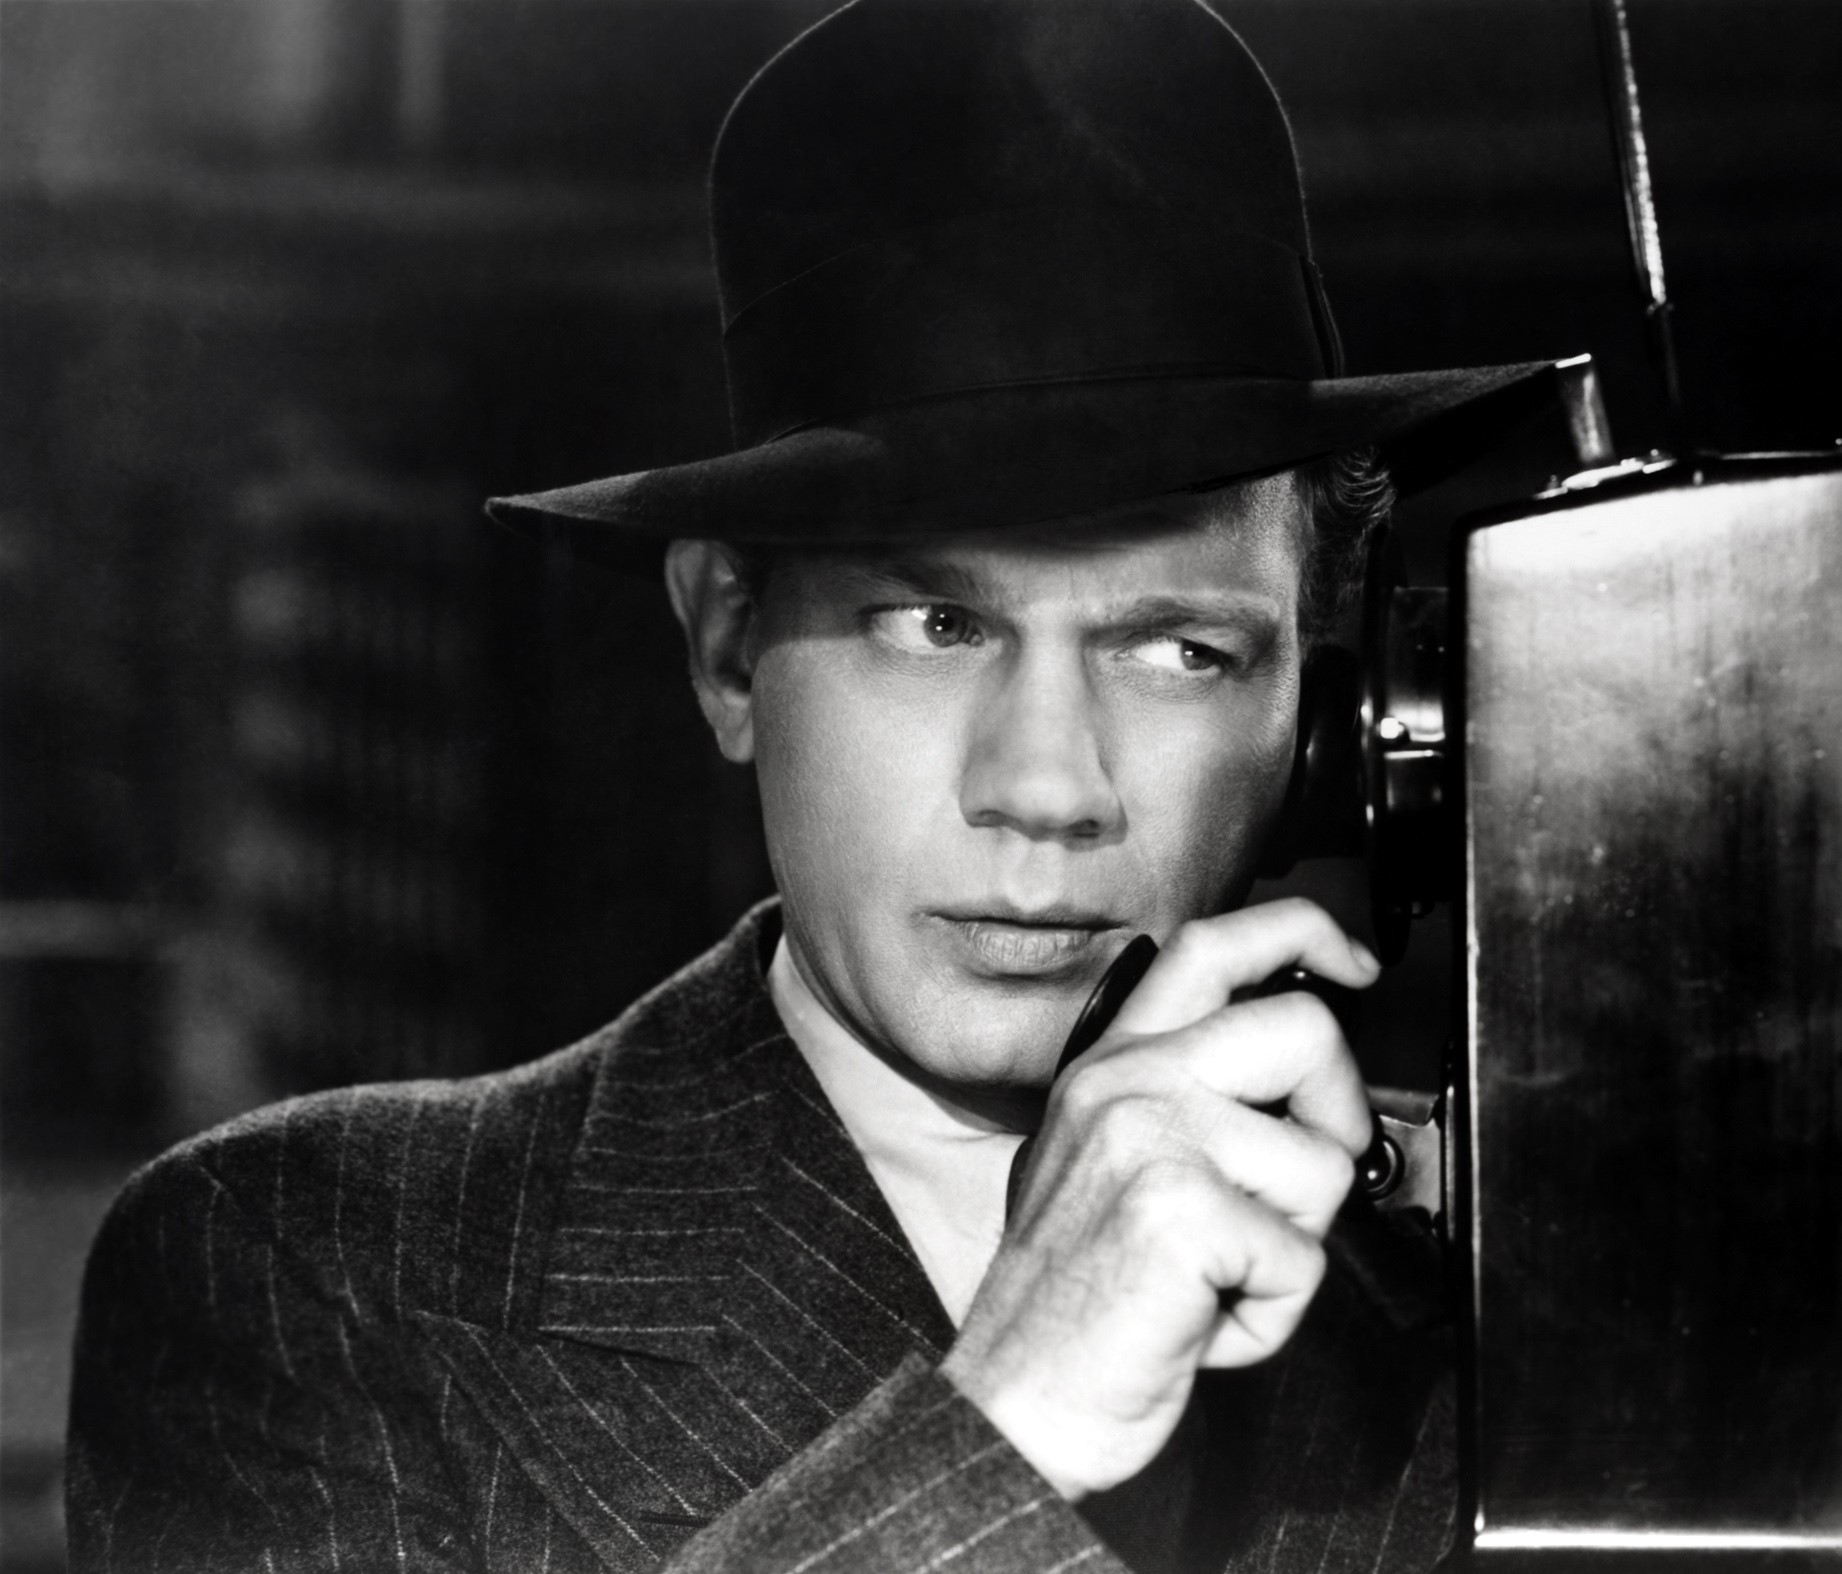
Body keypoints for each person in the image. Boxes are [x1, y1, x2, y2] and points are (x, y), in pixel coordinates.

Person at [67, 2, 1566, 1569]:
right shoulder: (313, 1273)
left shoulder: (1499, 1321)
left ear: (1328, 724)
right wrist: (1005, 1423)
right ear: (729, 648)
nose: (1044, 786)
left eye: (1179, 650)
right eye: (935, 625)